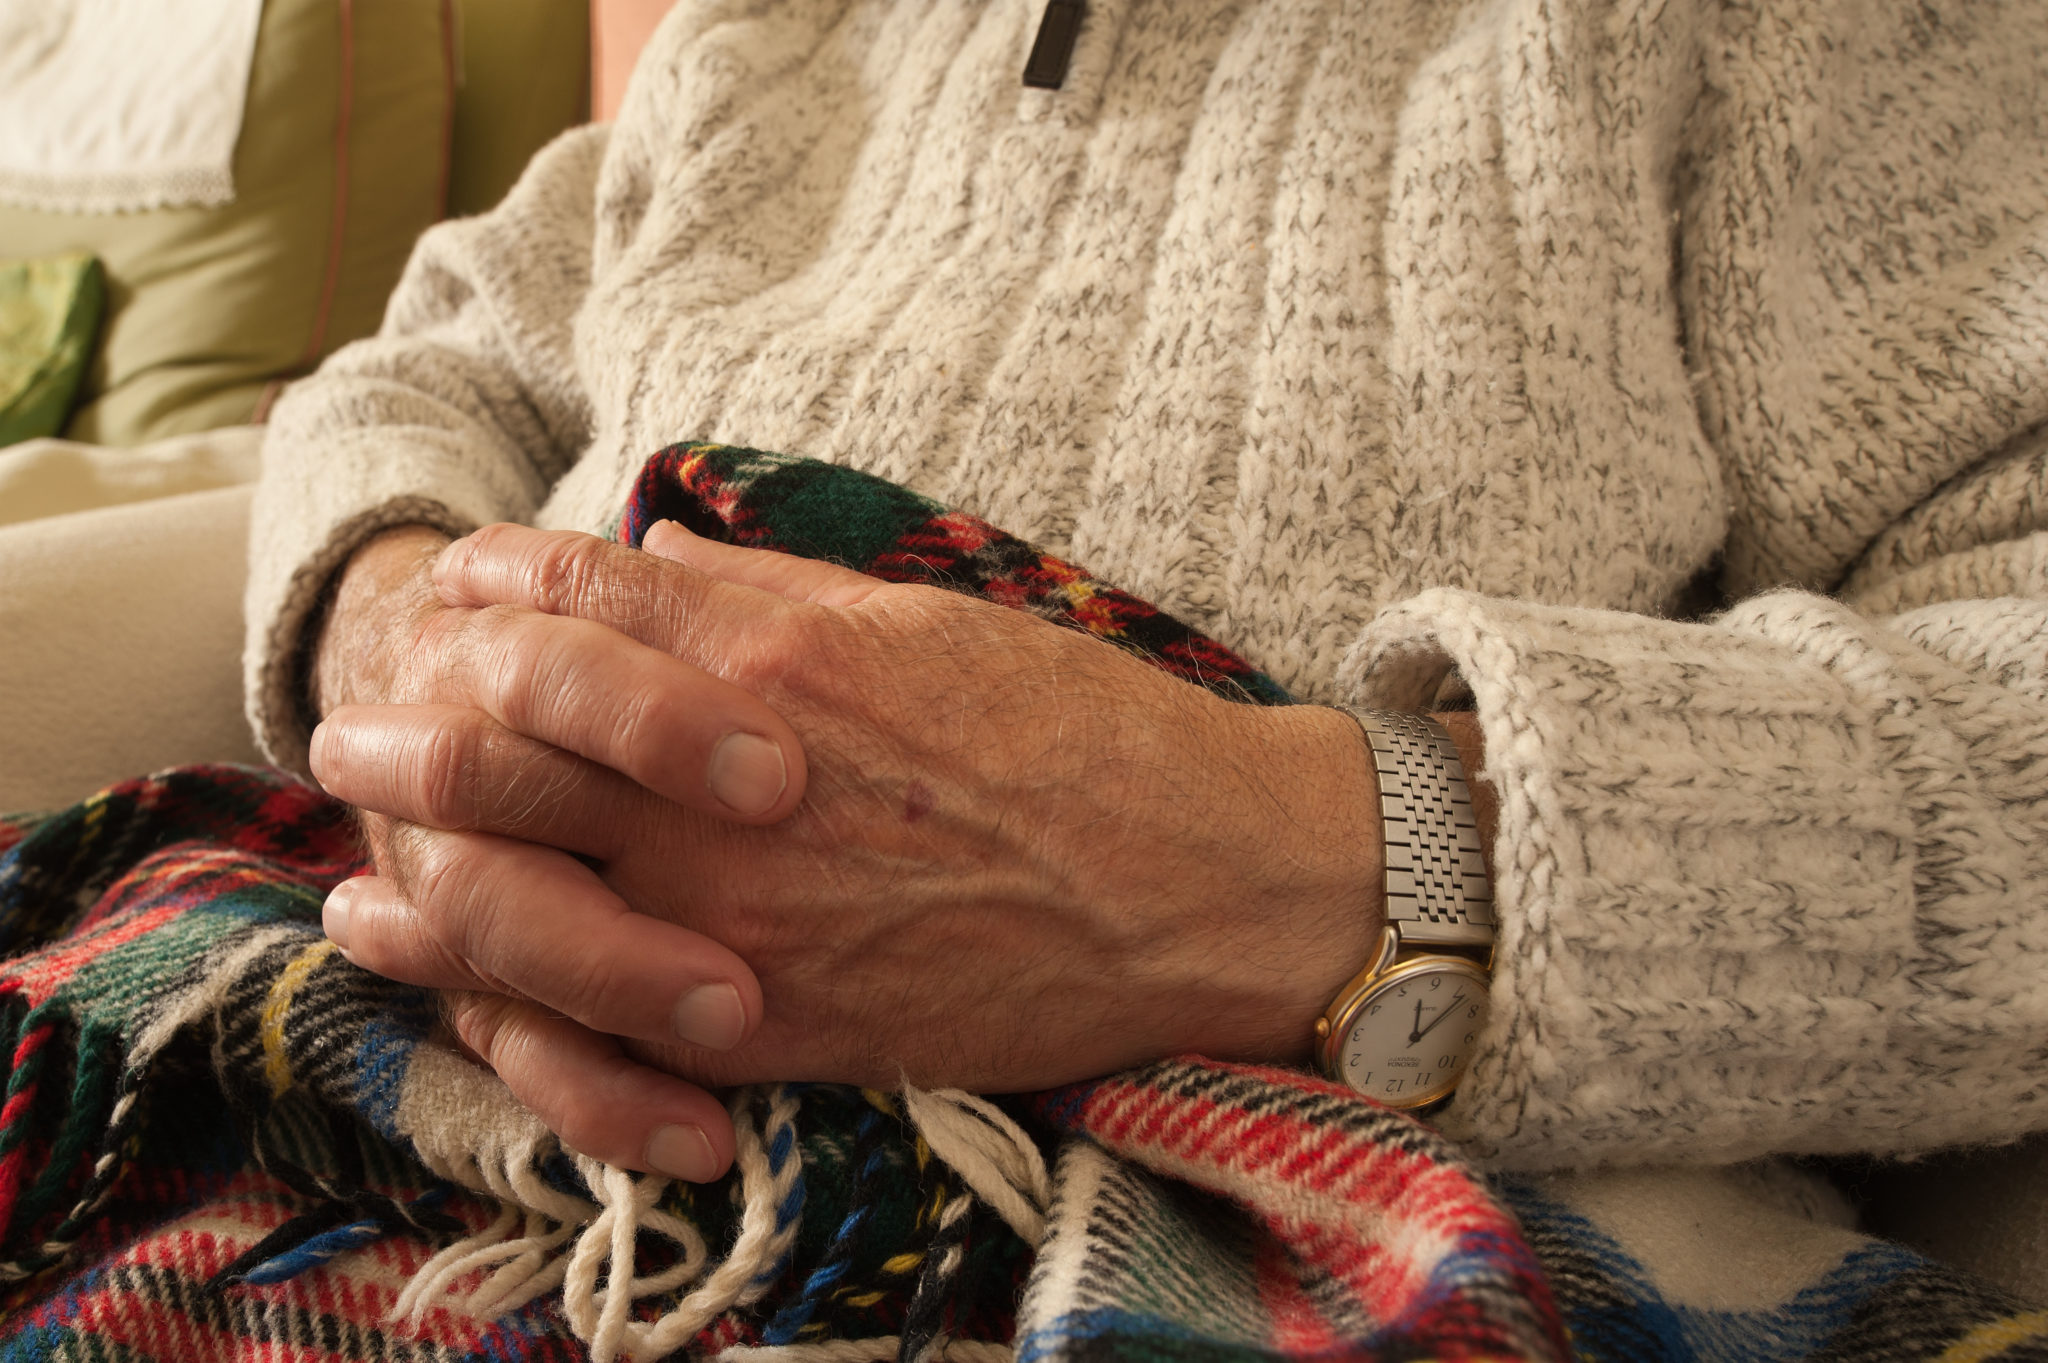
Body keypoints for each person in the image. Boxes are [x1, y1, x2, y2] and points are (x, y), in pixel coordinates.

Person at [250, 0, 2044, 1306]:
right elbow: (425, 369)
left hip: (1333, 1253)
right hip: (453, 1151)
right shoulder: (779, 26)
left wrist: (1321, 863)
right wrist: (418, 675)